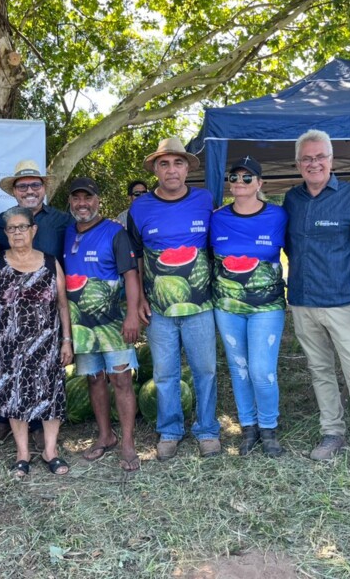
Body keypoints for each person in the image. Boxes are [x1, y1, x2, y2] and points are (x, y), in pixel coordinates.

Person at [283, 129, 350, 479]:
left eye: (320, 157)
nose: (314, 163)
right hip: (302, 300)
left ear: (331, 160)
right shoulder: (292, 199)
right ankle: (333, 432)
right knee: (319, 370)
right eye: (307, 158)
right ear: (298, 164)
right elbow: (288, 247)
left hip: (346, 303)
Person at [128, 136, 221, 460]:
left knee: (205, 370)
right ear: (155, 169)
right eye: (164, 163)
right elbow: (137, 257)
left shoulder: (205, 199)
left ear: (186, 168)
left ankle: (207, 429)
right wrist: (138, 298)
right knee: (165, 373)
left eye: (177, 162)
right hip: (158, 310)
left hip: (201, 306)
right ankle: (170, 430)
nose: (171, 170)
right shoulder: (139, 207)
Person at [0, 206, 73, 477]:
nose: (17, 233)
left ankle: (50, 451)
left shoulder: (51, 262)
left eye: (22, 227)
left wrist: (66, 341)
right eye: (11, 228)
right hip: (8, 346)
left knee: (50, 397)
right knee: (14, 397)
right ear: (5, 233)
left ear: (34, 230)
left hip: (47, 344)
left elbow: (63, 306)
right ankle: (22, 453)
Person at [0, 159, 72, 447]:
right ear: (15, 192)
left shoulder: (62, 219)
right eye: (23, 186)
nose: (30, 190)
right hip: (12, 312)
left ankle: (40, 428)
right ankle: (4, 423)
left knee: (45, 370)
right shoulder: (0, 222)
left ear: (44, 188)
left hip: (49, 306)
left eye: (36, 184)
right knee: (11, 369)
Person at [211, 156, 288, 457]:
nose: (239, 183)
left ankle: (269, 427)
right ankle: (249, 427)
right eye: (234, 177)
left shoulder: (279, 216)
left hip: (267, 306)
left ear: (260, 183)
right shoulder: (216, 218)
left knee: (261, 370)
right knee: (239, 368)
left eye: (247, 178)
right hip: (227, 306)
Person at [63, 178, 141, 471]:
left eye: (88, 198)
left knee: (121, 380)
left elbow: (131, 276)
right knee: (93, 379)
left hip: (112, 323)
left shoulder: (115, 233)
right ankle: (105, 436)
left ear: (98, 200)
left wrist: (132, 315)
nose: (82, 203)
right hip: (82, 326)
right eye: (77, 198)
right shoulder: (67, 232)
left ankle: (128, 444)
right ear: (71, 202)